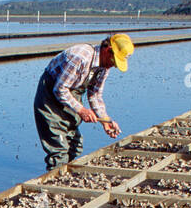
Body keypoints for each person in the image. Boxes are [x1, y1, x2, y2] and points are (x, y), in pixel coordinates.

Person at [34, 34, 133, 170]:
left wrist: (105, 120)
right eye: (113, 61)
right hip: (50, 96)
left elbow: (95, 94)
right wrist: (81, 110)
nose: (113, 66)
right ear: (107, 49)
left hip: (72, 94)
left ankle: (63, 174)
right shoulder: (80, 57)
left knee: (75, 146)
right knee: (59, 150)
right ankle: (55, 181)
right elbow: (60, 89)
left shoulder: (104, 67)